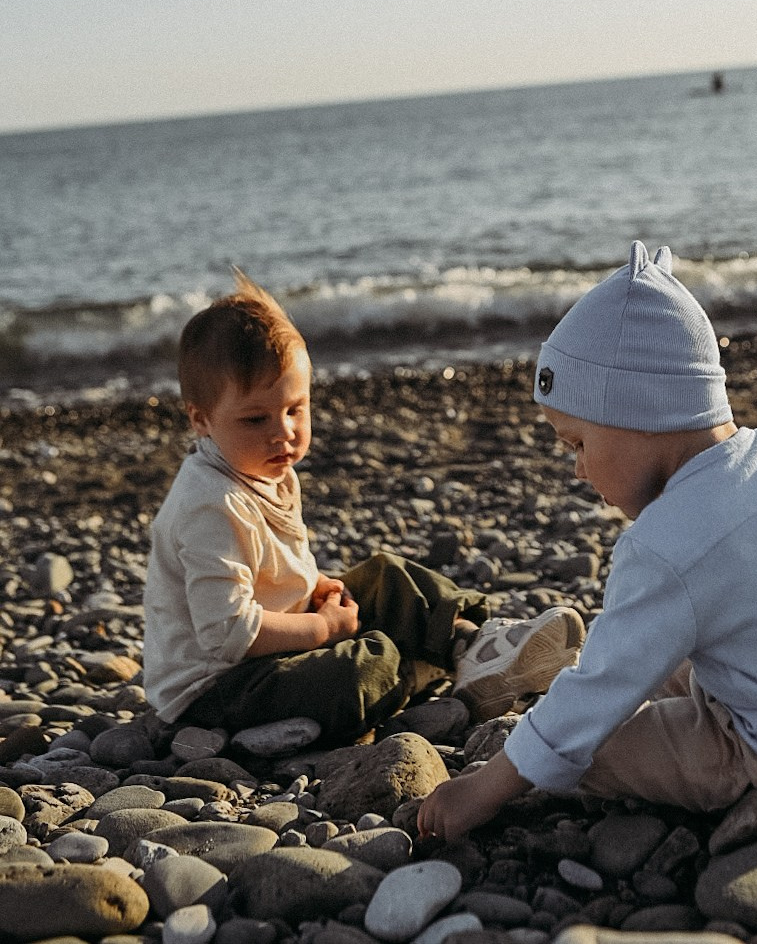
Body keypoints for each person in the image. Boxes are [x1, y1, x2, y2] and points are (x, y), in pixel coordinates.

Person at [418, 241, 757, 839]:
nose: (577, 471)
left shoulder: (666, 544)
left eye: (578, 444)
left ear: (638, 418)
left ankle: (573, 694)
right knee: (688, 632)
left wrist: (485, 786)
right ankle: (602, 671)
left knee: (593, 748)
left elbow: (600, 696)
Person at [143, 273, 584, 742]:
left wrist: (315, 587)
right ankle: (420, 669)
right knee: (362, 669)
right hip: (216, 686)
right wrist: (321, 627)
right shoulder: (211, 505)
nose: (283, 432)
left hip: (274, 640)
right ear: (201, 420)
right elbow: (227, 634)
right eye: (256, 419)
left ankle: (474, 645)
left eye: (295, 408)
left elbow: (271, 568)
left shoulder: (265, 468)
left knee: (387, 575)